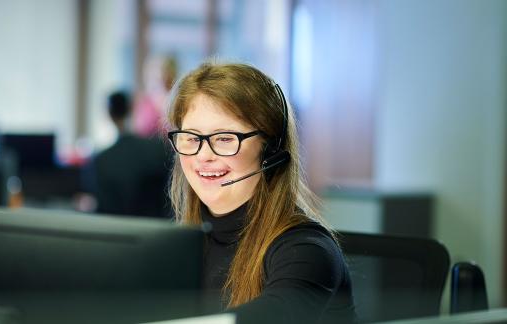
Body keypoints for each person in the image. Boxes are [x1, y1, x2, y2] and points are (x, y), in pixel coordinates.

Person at [165, 62, 357, 323]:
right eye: (192, 137)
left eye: (224, 138)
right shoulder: (179, 248)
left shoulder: (306, 250)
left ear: (270, 151)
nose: (203, 155)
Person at [83, 90, 171, 218]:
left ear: (109, 114)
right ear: (131, 109)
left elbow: (100, 206)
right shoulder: (159, 148)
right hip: (156, 229)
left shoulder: (100, 161)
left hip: (116, 232)